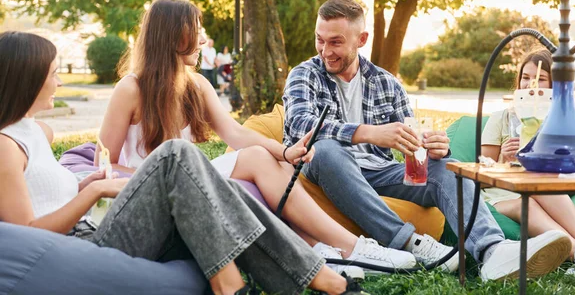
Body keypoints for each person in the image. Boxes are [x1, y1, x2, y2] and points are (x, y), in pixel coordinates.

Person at [0, 31, 370, 295]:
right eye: (52, 74)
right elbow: (30, 233)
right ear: (27, 80)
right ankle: (270, 281)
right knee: (176, 154)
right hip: (84, 243)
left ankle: (306, 277)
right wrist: (94, 189)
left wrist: (82, 184)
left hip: (93, 227)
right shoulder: (6, 147)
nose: (60, 82)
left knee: (215, 188)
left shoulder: (32, 129)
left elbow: (47, 190)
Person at [96, 0, 415, 278]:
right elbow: (105, 163)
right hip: (147, 190)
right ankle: (353, 248)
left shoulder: (197, 85)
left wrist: (286, 152)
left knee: (266, 157)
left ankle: (326, 250)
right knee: (261, 159)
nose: (204, 39)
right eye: (196, 30)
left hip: (193, 178)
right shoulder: (131, 89)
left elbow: (234, 133)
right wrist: (146, 177)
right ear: (173, 35)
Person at [283, 0, 573, 281]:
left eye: (335, 42)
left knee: (448, 167)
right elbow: (299, 125)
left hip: (379, 172)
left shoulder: (386, 82)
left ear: (361, 40)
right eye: (320, 40)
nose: (325, 51)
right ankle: (411, 243)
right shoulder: (305, 74)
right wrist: (369, 133)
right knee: (328, 149)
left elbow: (414, 141)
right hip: (325, 168)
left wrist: (435, 148)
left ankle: (493, 251)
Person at [481, 48, 575, 271]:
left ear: (553, 85)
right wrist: (504, 162)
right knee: (530, 200)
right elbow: (480, 176)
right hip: (503, 195)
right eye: (525, 77)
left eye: (539, 78)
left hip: (548, 190)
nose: (530, 84)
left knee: (537, 185)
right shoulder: (501, 118)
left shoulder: (561, 123)